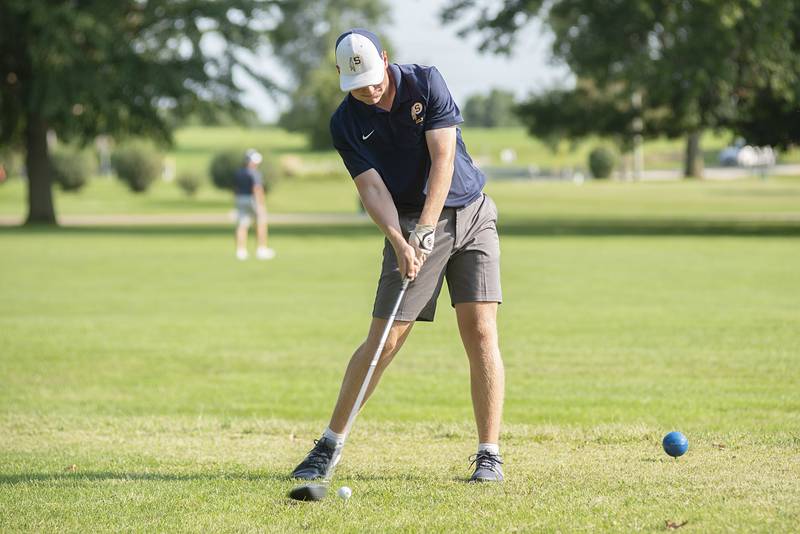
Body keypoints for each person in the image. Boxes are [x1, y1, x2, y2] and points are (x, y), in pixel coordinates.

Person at [290, 29, 504, 482]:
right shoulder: (345, 123)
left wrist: (427, 227)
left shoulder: (426, 83)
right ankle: (329, 445)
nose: (369, 91)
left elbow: (443, 158)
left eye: (373, 79)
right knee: (386, 339)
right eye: (357, 85)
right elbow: (371, 187)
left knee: (481, 332)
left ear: (385, 58)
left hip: (472, 212)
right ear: (340, 77)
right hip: (407, 219)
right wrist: (400, 239)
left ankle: (489, 454)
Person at [234, 149, 274, 260]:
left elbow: (236, 188)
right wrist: (261, 204)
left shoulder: (239, 172)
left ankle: (240, 251)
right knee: (261, 224)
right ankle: (261, 249)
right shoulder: (255, 173)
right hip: (253, 199)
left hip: (240, 199)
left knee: (242, 225)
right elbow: (257, 189)